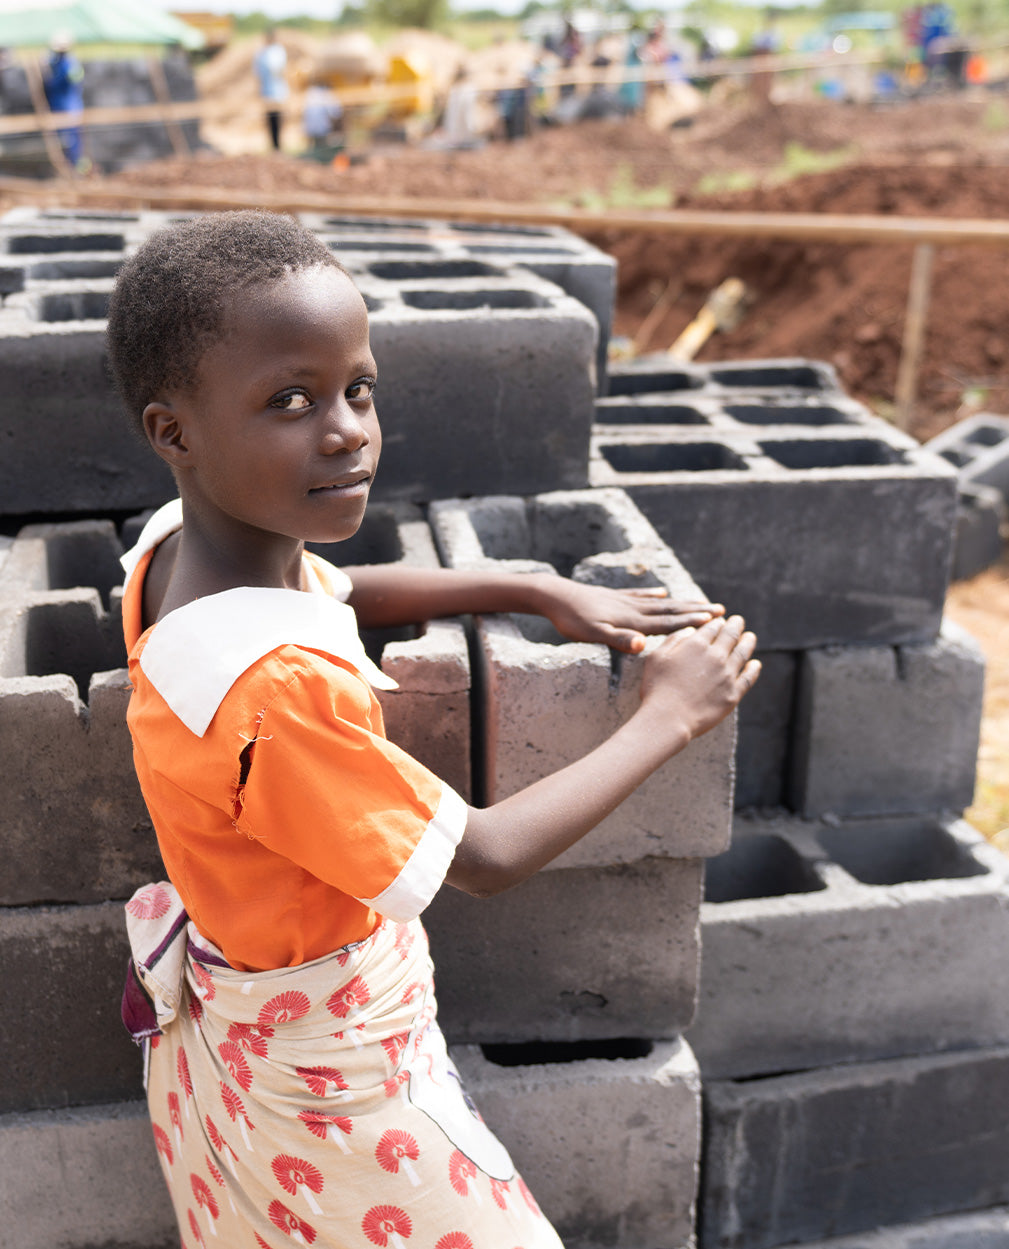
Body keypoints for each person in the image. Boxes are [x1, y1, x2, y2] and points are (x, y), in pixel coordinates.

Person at [104, 210, 759, 1246]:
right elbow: (484, 857)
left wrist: (530, 586)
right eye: (289, 400)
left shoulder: (176, 552)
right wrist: (668, 714)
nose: (346, 430)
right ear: (172, 430)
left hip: (238, 1026)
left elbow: (333, 589)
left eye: (358, 389)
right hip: (334, 1082)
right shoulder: (273, 693)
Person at [43, 31, 86, 172]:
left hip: (69, 109)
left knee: (71, 142)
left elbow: (67, 82)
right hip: (62, 108)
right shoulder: (58, 63)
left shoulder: (69, 65)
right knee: (64, 141)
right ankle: (67, 168)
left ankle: (75, 168)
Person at [253, 28, 288, 152]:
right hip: (273, 91)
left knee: (275, 119)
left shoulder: (267, 53)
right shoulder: (271, 52)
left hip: (273, 91)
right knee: (274, 119)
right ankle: (276, 146)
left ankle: (277, 145)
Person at [301, 76, 341, 153]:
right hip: (321, 128)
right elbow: (335, 112)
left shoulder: (310, 92)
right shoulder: (327, 94)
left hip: (311, 128)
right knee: (322, 147)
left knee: (314, 146)